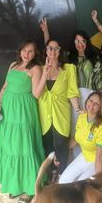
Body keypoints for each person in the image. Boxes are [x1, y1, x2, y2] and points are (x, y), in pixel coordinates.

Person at [0, 40, 45, 203]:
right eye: (24, 50)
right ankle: (16, 184)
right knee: (11, 148)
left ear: (35, 54)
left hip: (24, 113)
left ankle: (29, 189)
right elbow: (5, 86)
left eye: (31, 51)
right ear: (20, 50)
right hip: (8, 113)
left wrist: (44, 73)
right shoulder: (13, 65)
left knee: (24, 147)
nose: (27, 54)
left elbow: (36, 94)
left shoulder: (35, 69)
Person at [40, 19, 97, 157]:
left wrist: (80, 107)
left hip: (80, 99)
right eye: (77, 41)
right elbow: (50, 50)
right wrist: (46, 32)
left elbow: (52, 50)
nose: (80, 44)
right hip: (53, 108)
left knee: (80, 131)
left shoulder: (88, 59)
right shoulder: (43, 68)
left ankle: (83, 159)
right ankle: (58, 167)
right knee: (54, 140)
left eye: (82, 41)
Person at [36, 38, 80, 181]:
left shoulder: (68, 69)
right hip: (44, 114)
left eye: (56, 48)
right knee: (48, 144)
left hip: (61, 113)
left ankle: (62, 176)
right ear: (46, 51)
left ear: (60, 51)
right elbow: (37, 94)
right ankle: (51, 174)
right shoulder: (39, 69)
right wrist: (45, 73)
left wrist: (78, 109)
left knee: (61, 144)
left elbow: (72, 92)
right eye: (50, 48)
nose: (53, 51)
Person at [59, 91, 102, 183]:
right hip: (85, 156)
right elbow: (76, 138)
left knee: (81, 186)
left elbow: (99, 157)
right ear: (87, 100)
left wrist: (99, 181)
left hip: (101, 159)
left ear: (101, 108)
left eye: (96, 104)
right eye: (91, 100)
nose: (92, 105)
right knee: (63, 181)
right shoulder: (82, 117)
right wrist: (60, 153)